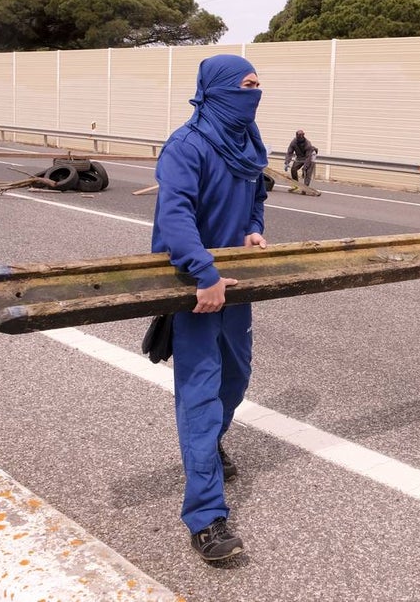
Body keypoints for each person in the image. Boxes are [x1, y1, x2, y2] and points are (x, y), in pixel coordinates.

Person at [151, 54, 269, 561]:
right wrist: (204, 274)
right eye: (246, 85)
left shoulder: (247, 142)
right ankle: (207, 518)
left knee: (235, 379)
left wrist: (253, 228)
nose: (254, 93)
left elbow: (257, 192)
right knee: (199, 394)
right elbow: (174, 214)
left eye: (258, 86)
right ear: (218, 88)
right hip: (194, 284)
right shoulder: (187, 145)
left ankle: (211, 444)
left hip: (233, 284)